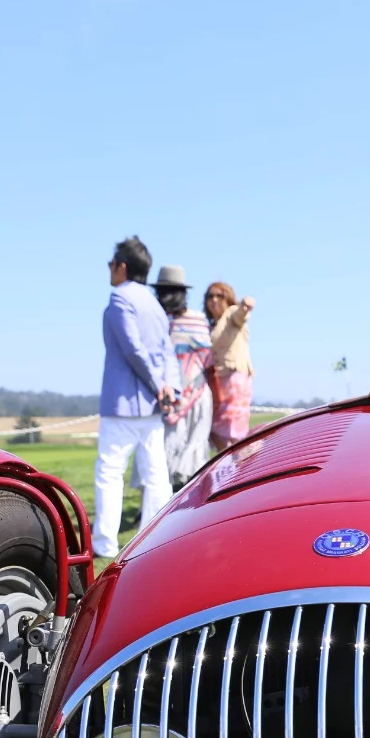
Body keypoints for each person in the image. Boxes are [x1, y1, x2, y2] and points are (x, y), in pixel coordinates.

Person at [94, 236, 178, 559]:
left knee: (110, 471)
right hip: (153, 406)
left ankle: (104, 542)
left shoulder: (120, 298)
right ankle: (153, 538)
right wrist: (169, 388)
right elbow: (167, 352)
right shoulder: (154, 305)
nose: (109, 269)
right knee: (156, 474)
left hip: (124, 403)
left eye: (111, 264)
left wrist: (158, 385)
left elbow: (133, 350)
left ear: (122, 267)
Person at [151, 265, 214, 489]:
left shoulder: (194, 320)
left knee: (191, 449)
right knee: (169, 451)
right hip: (170, 397)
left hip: (192, 396)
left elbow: (208, 357)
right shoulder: (160, 321)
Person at [205, 282, 256, 451]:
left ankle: (242, 463)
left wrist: (245, 306)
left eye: (219, 296)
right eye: (210, 296)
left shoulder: (231, 313)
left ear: (227, 298)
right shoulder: (212, 324)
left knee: (233, 430)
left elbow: (240, 315)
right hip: (218, 382)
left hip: (235, 379)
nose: (214, 300)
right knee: (216, 430)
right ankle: (231, 463)